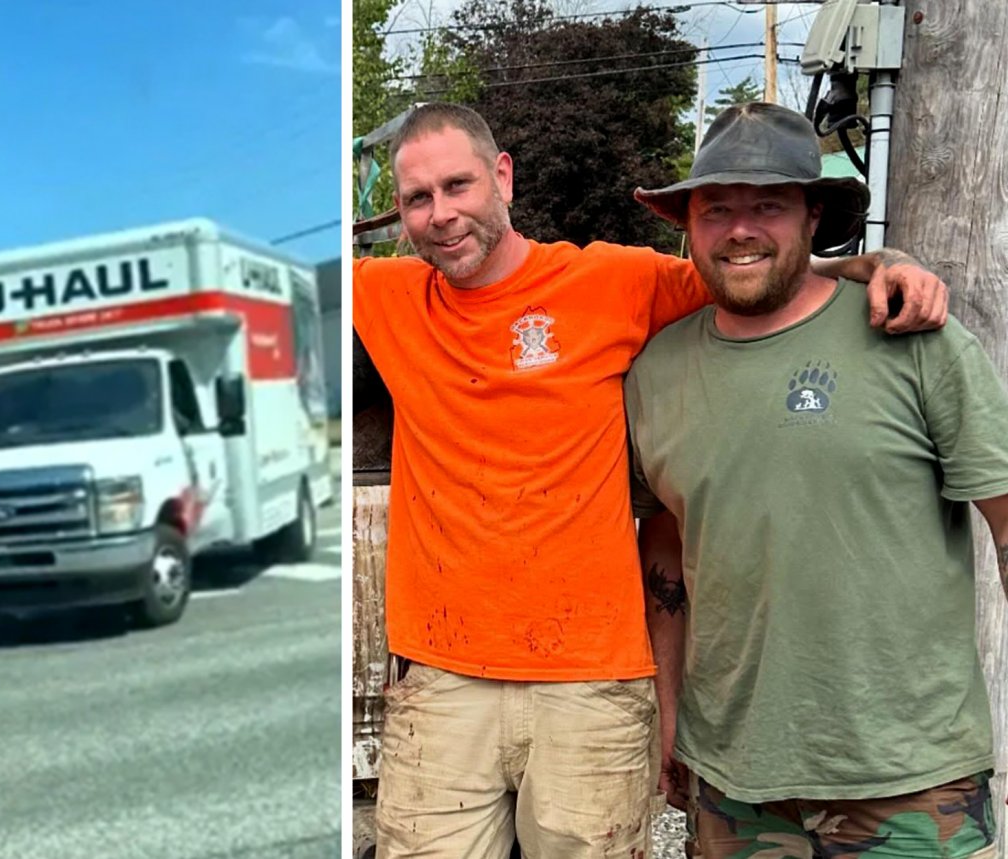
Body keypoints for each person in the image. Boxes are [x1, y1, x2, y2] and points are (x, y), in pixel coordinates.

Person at [353, 101, 949, 859]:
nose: (442, 214)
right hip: (440, 679)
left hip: (592, 682)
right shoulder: (384, 296)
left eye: (458, 185)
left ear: (502, 176)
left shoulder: (614, 280)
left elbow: (757, 273)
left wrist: (878, 264)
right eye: (417, 198)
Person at [627, 101, 1008, 859]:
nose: (740, 228)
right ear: (689, 225)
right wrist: (669, 710)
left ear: (813, 216)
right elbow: (664, 541)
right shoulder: (655, 371)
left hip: (908, 778)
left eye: (767, 204)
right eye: (716, 208)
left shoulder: (912, 338)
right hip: (736, 779)